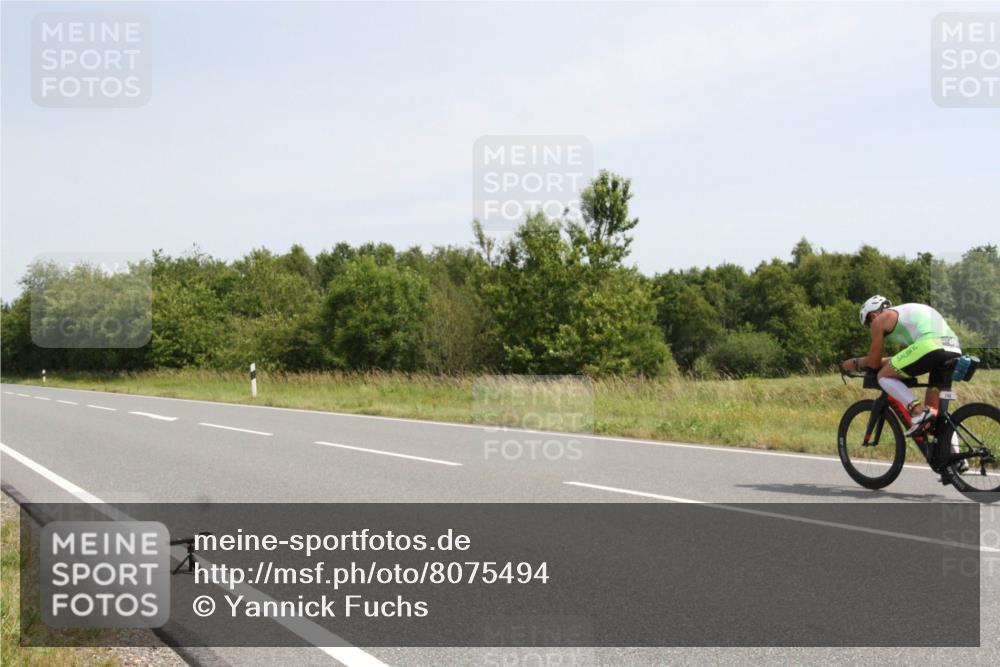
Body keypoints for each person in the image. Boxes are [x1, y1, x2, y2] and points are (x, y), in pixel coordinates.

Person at [841, 296, 962, 436]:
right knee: (936, 420)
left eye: (868, 323)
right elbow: (899, 360)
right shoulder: (904, 318)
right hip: (953, 348)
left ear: (873, 315)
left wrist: (855, 363)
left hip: (931, 346)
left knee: (883, 376)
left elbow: (874, 364)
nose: (870, 327)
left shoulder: (879, 320)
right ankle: (954, 456)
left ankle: (917, 410)